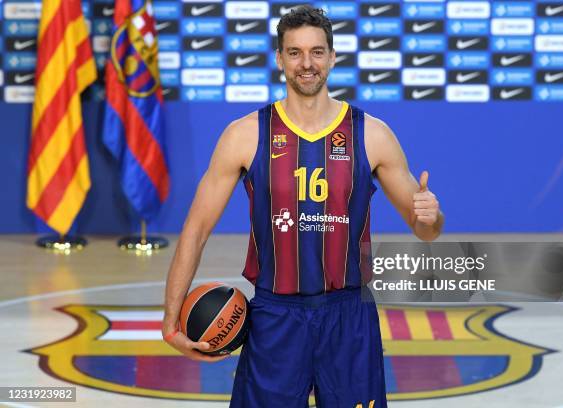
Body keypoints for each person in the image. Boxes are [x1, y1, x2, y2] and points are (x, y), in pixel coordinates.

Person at [162, 5, 443, 407]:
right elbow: (196, 230)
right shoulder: (245, 135)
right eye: (294, 52)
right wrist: (171, 321)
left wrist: (431, 216)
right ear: (279, 59)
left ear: (332, 56)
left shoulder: (372, 135)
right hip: (275, 316)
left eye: (316, 51)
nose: (306, 63)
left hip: (349, 315)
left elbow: (425, 230)